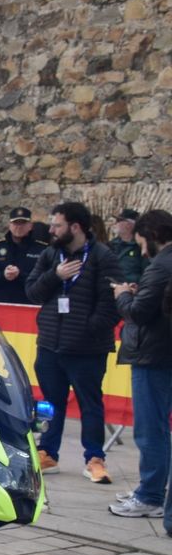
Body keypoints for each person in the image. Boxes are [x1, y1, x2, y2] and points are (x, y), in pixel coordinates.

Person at [27, 200, 121, 483]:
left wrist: (87, 330)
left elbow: (110, 305)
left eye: (57, 225)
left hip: (86, 348)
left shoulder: (103, 256)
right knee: (51, 402)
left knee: (90, 403)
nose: (52, 229)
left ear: (75, 227)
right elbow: (32, 292)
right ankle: (48, 452)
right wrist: (55, 276)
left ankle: (94, 458)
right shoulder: (49, 256)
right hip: (50, 344)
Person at [109, 210, 172, 519]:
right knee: (157, 428)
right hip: (164, 351)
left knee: (151, 429)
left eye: (141, 241)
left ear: (152, 236)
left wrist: (122, 296)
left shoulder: (160, 266)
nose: (140, 248)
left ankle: (150, 495)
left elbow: (139, 313)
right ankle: (152, 490)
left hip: (153, 355)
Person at [0, 207, 46, 304]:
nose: (19, 227)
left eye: (23, 223)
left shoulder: (41, 249)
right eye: (16, 223)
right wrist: (3, 276)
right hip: (1, 304)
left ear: (30, 226)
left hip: (29, 305)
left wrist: (20, 275)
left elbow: (45, 280)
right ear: (10, 225)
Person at [109, 208, 144, 284]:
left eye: (119, 221)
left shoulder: (140, 247)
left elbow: (145, 272)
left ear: (129, 225)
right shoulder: (111, 245)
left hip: (132, 291)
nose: (115, 223)